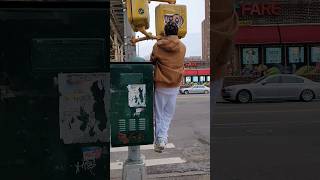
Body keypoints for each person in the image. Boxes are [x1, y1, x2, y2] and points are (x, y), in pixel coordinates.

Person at [150, 21, 186, 153]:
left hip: (160, 83)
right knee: (168, 114)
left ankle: (160, 139)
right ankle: (163, 138)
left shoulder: (157, 46)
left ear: (165, 32)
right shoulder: (183, 47)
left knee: (159, 114)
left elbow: (152, 60)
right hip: (175, 84)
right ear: (177, 33)